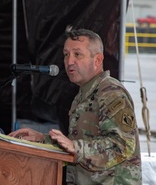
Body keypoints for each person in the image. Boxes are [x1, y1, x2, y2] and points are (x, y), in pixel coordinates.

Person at [9, 28, 142, 185]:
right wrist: (42, 139)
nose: (69, 61)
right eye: (66, 55)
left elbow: (122, 145)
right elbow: (78, 145)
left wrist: (75, 147)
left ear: (98, 60)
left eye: (77, 54)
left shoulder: (111, 92)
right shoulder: (83, 94)